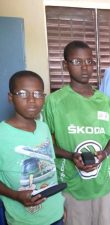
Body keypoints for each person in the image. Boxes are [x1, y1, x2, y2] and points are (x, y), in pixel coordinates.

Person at [43, 41, 110, 225]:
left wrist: (104, 154)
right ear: (64, 65)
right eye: (77, 61)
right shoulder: (54, 101)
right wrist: (71, 155)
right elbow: (46, 145)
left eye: (89, 61)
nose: (85, 67)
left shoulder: (105, 101)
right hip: (72, 184)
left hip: (105, 183)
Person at [0, 70, 64, 225]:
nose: (31, 100)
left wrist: (61, 208)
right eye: (23, 93)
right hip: (24, 220)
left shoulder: (43, 127)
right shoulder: (2, 134)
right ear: (11, 98)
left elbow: (50, 167)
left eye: (37, 94)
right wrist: (15, 195)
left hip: (55, 213)